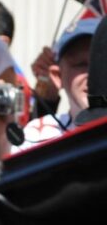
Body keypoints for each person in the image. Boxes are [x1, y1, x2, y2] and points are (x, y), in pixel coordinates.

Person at [13, 18, 99, 151]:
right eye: (81, 64)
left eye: (102, 61)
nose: (94, 74)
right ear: (57, 76)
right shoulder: (33, 138)